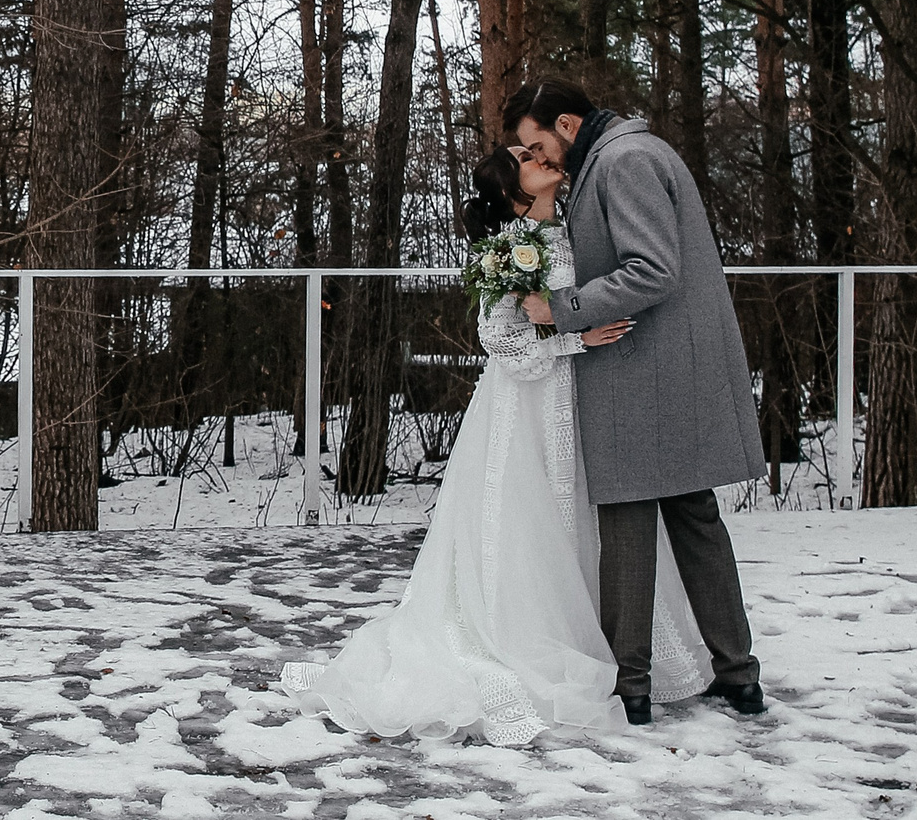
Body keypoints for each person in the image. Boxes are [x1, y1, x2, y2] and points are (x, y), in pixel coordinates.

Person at [280, 144, 712, 746]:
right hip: (527, 406)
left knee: (590, 517)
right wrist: (578, 343)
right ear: (514, 191)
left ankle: (609, 639)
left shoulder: (574, 228)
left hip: (584, 399)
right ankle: (534, 636)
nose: (543, 156)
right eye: (528, 159)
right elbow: (503, 345)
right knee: (532, 520)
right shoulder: (508, 248)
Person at [503, 78, 766, 724]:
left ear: (567, 123)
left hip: (643, 367)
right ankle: (738, 677)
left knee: (629, 520)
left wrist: (562, 309)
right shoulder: (624, 154)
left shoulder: (624, 160)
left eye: (538, 143)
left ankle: (636, 688)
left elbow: (653, 268)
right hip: (662, 368)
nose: (541, 159)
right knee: (694, 516)